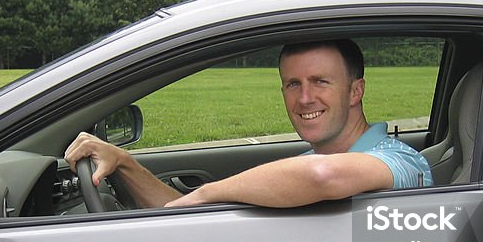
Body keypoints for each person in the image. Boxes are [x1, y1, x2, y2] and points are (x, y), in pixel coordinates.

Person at [64, 39, 432, 209]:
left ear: (355, 91)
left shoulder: (402, 161)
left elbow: (323, 176)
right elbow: (181, 210)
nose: (304, 98)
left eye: (321, 81)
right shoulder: (304, 161)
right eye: (293, 84)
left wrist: (208, 192)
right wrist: (124, 162)